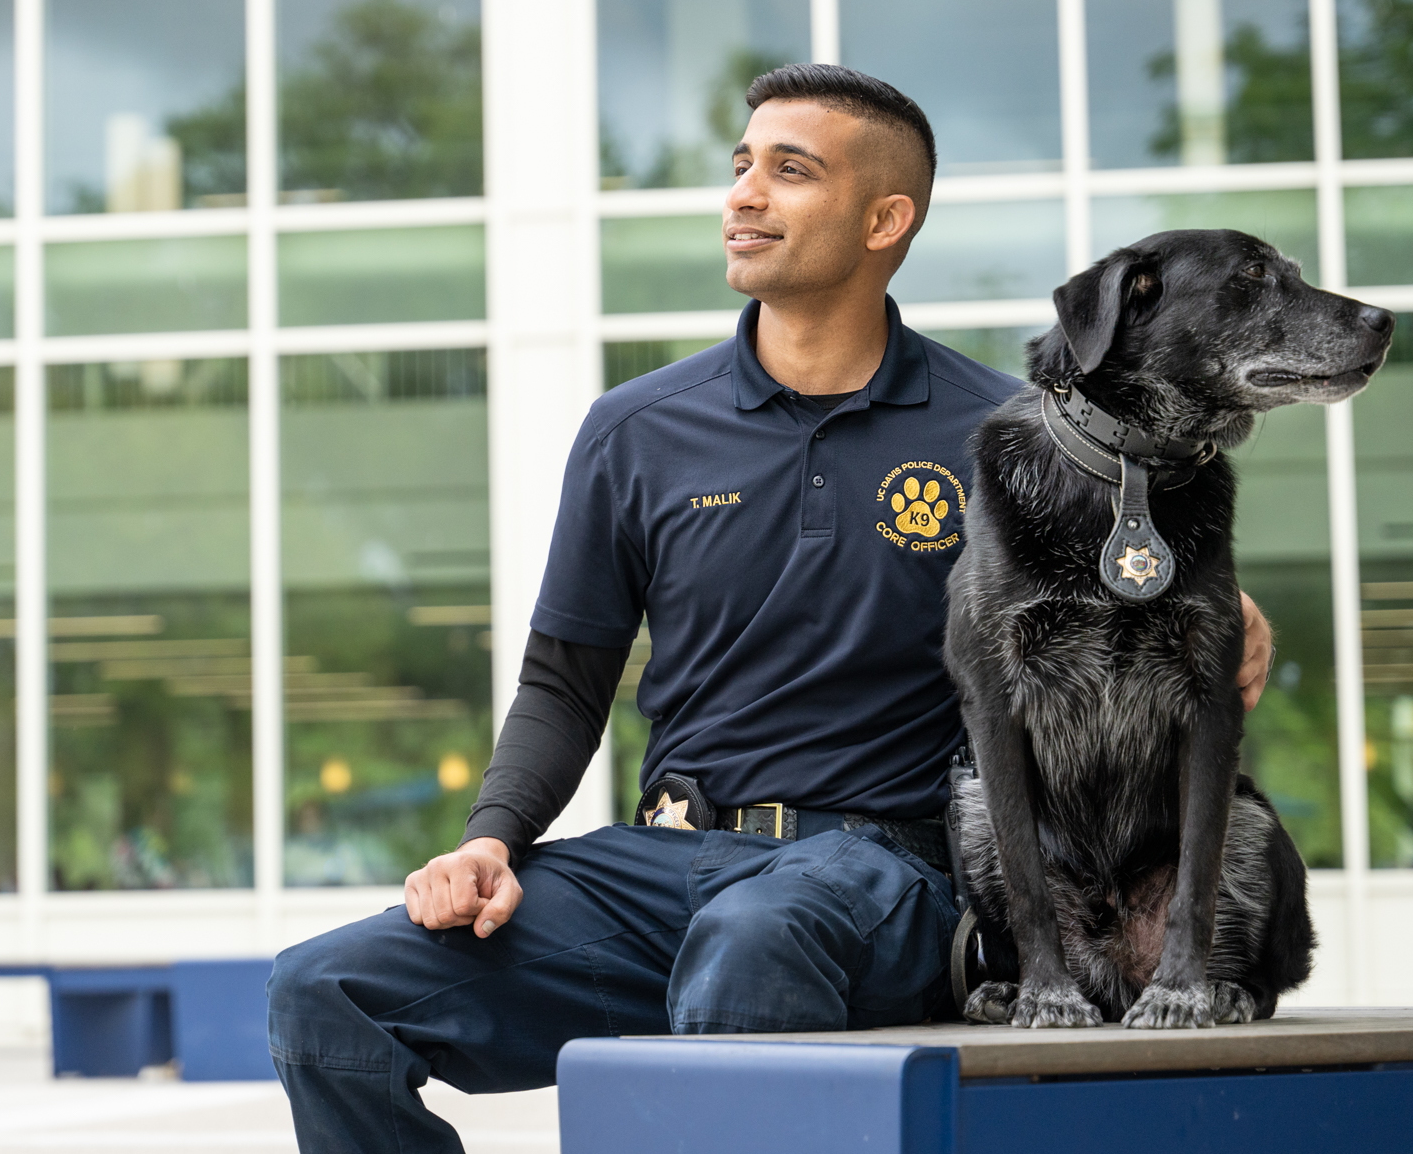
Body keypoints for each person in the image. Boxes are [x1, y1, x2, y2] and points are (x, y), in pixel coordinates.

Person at [266, 64, 1274, 1154]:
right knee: (324, 994)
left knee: (754, 942)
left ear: (886, 219)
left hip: (891, 876)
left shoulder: (1010, 433)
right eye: (740, 164)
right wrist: (491, 839)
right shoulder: (636, 429)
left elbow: (1143, 588)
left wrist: (1219, 602)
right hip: (664, 864)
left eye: (789, 171)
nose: (743, 193)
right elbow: (564, 684)